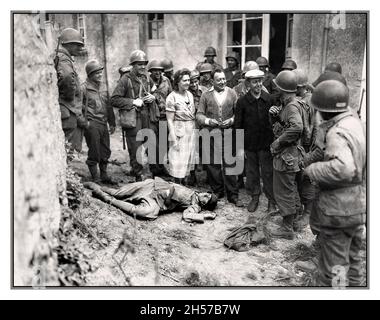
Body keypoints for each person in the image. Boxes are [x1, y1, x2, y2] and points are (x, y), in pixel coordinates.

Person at [304, 80, 366, 287]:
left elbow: (344, 168)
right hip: (357, 205)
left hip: (338, 209)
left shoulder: (337, 133)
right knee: (354, 260)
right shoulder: (355, 123)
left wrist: (313, 170)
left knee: (335, 267)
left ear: (325, 111)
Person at [197, 69, 242, 207]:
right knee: (213, 164)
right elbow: (199, 115)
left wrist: (232, 120)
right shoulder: (206, 95)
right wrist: (208, 121)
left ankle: (233, 195)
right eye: (219, 80)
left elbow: (239, 112)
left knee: (230, 164)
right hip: (212, 134)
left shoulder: (232, 93)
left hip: (229, 133)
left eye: (223, 79)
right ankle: (218, 191)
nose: (222, 82)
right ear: (212, 81)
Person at [111, 49, 158, 181]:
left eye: (144, 64)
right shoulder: (125, 80)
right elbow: (114, 100)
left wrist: (153, 97)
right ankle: (138, 176)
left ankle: (152, 175)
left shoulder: (147, 78)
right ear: (133, 65)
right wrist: (133, 102)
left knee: (152, 146)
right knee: (136, 149)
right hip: (133, 119)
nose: (142, 67)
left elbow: (156, 91)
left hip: (148, 117)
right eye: (139, 64)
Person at [84, 177, 219, 223]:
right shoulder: (194, 192)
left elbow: (187, 215)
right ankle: (92, 185)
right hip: (152, 186)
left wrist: (204, 215)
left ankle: (105, 198)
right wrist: (170, 190)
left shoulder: (195, 206)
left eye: (207, 199)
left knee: (148, 213)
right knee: (118, 193)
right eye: (207, 194)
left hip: (157, 202)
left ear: (204, 204)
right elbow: (171, 186)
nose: (205, 196)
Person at [235, 70, 276, 213]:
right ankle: (255, 197)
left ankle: (271, 201)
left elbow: (275, 123)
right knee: (251, 173)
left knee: (268, 173)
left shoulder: (269, 99)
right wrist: (240, 148)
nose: (258, 84)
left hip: (266, 144)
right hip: (250, 145)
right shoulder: (242, 102)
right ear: (248, 84)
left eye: (260, 81)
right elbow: (238, 126)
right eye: (254, 82)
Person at [269, 70, 304, 240]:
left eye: (277, 87)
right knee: (291, 188)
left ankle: (287, 228)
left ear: (282, 89)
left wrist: (278, 142)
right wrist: (274, 117)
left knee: (284, 191)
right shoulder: (290, 104)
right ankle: (294, 221)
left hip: (286, 155)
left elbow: (297, 127)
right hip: (290, 155)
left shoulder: (291, 106)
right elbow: (286, 125)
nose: (275, 89)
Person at [81, 60, 116, 183]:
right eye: (96, 73)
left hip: (103, 123)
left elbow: (109, 106)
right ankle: (95, 177)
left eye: (100, 73)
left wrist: (112, 123)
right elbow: (77, 107)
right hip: (92, 123)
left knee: (105, 150)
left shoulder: (103, 88)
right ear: (90, 75)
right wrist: (85, 123)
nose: (100, 75)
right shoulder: (83, 88)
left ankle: (104, 175)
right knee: (94, 150)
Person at [54, 28, 86, 152]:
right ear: (68, 44)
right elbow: (67, 77)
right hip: (67, 109)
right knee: (68, 147)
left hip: (68, 109)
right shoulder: (63, 58)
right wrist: (69, 96)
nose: (80, 48)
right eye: (77, 45)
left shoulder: (63, 57)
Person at [165, 69, 197, 184]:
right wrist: (172, 136)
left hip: (190, 130)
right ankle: (176, 185)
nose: (188, 83)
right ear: (178, 82)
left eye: (188, 80)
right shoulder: (171, 97)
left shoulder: (190, 95)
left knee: (187, 158)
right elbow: (169, 119)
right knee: (177, 159)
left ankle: (184, 185)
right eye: (184, 80)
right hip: (179, 130)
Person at [147, 59, 172, 177]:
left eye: (159, 71)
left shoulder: (166, 81)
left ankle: (161, 167)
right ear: (151, 71)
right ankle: (154, 170)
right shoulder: (146, 81)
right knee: (152, 144)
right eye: (154, 70)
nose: (157, 73)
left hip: (164, 116)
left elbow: (171, 95)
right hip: (151, 117)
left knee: (163, 144)